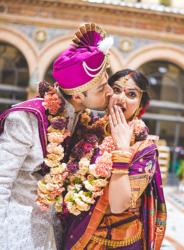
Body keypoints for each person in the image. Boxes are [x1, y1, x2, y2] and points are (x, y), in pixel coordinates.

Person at [0, 23, 116, 250]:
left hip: (56, 232)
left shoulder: (84, 121)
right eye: (102, 88)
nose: (110, 92)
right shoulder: (27, 119)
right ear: (78, 96)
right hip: (16, 231)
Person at [62, 69, 167, 250]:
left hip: (119, 242)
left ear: (141, 105)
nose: (121, 98)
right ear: (107, 94)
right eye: (117, 90)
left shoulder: (144, 149)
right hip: (78, 235)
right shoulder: (86, 131)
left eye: (131, 94)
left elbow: (118, 205)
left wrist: (122, 150)